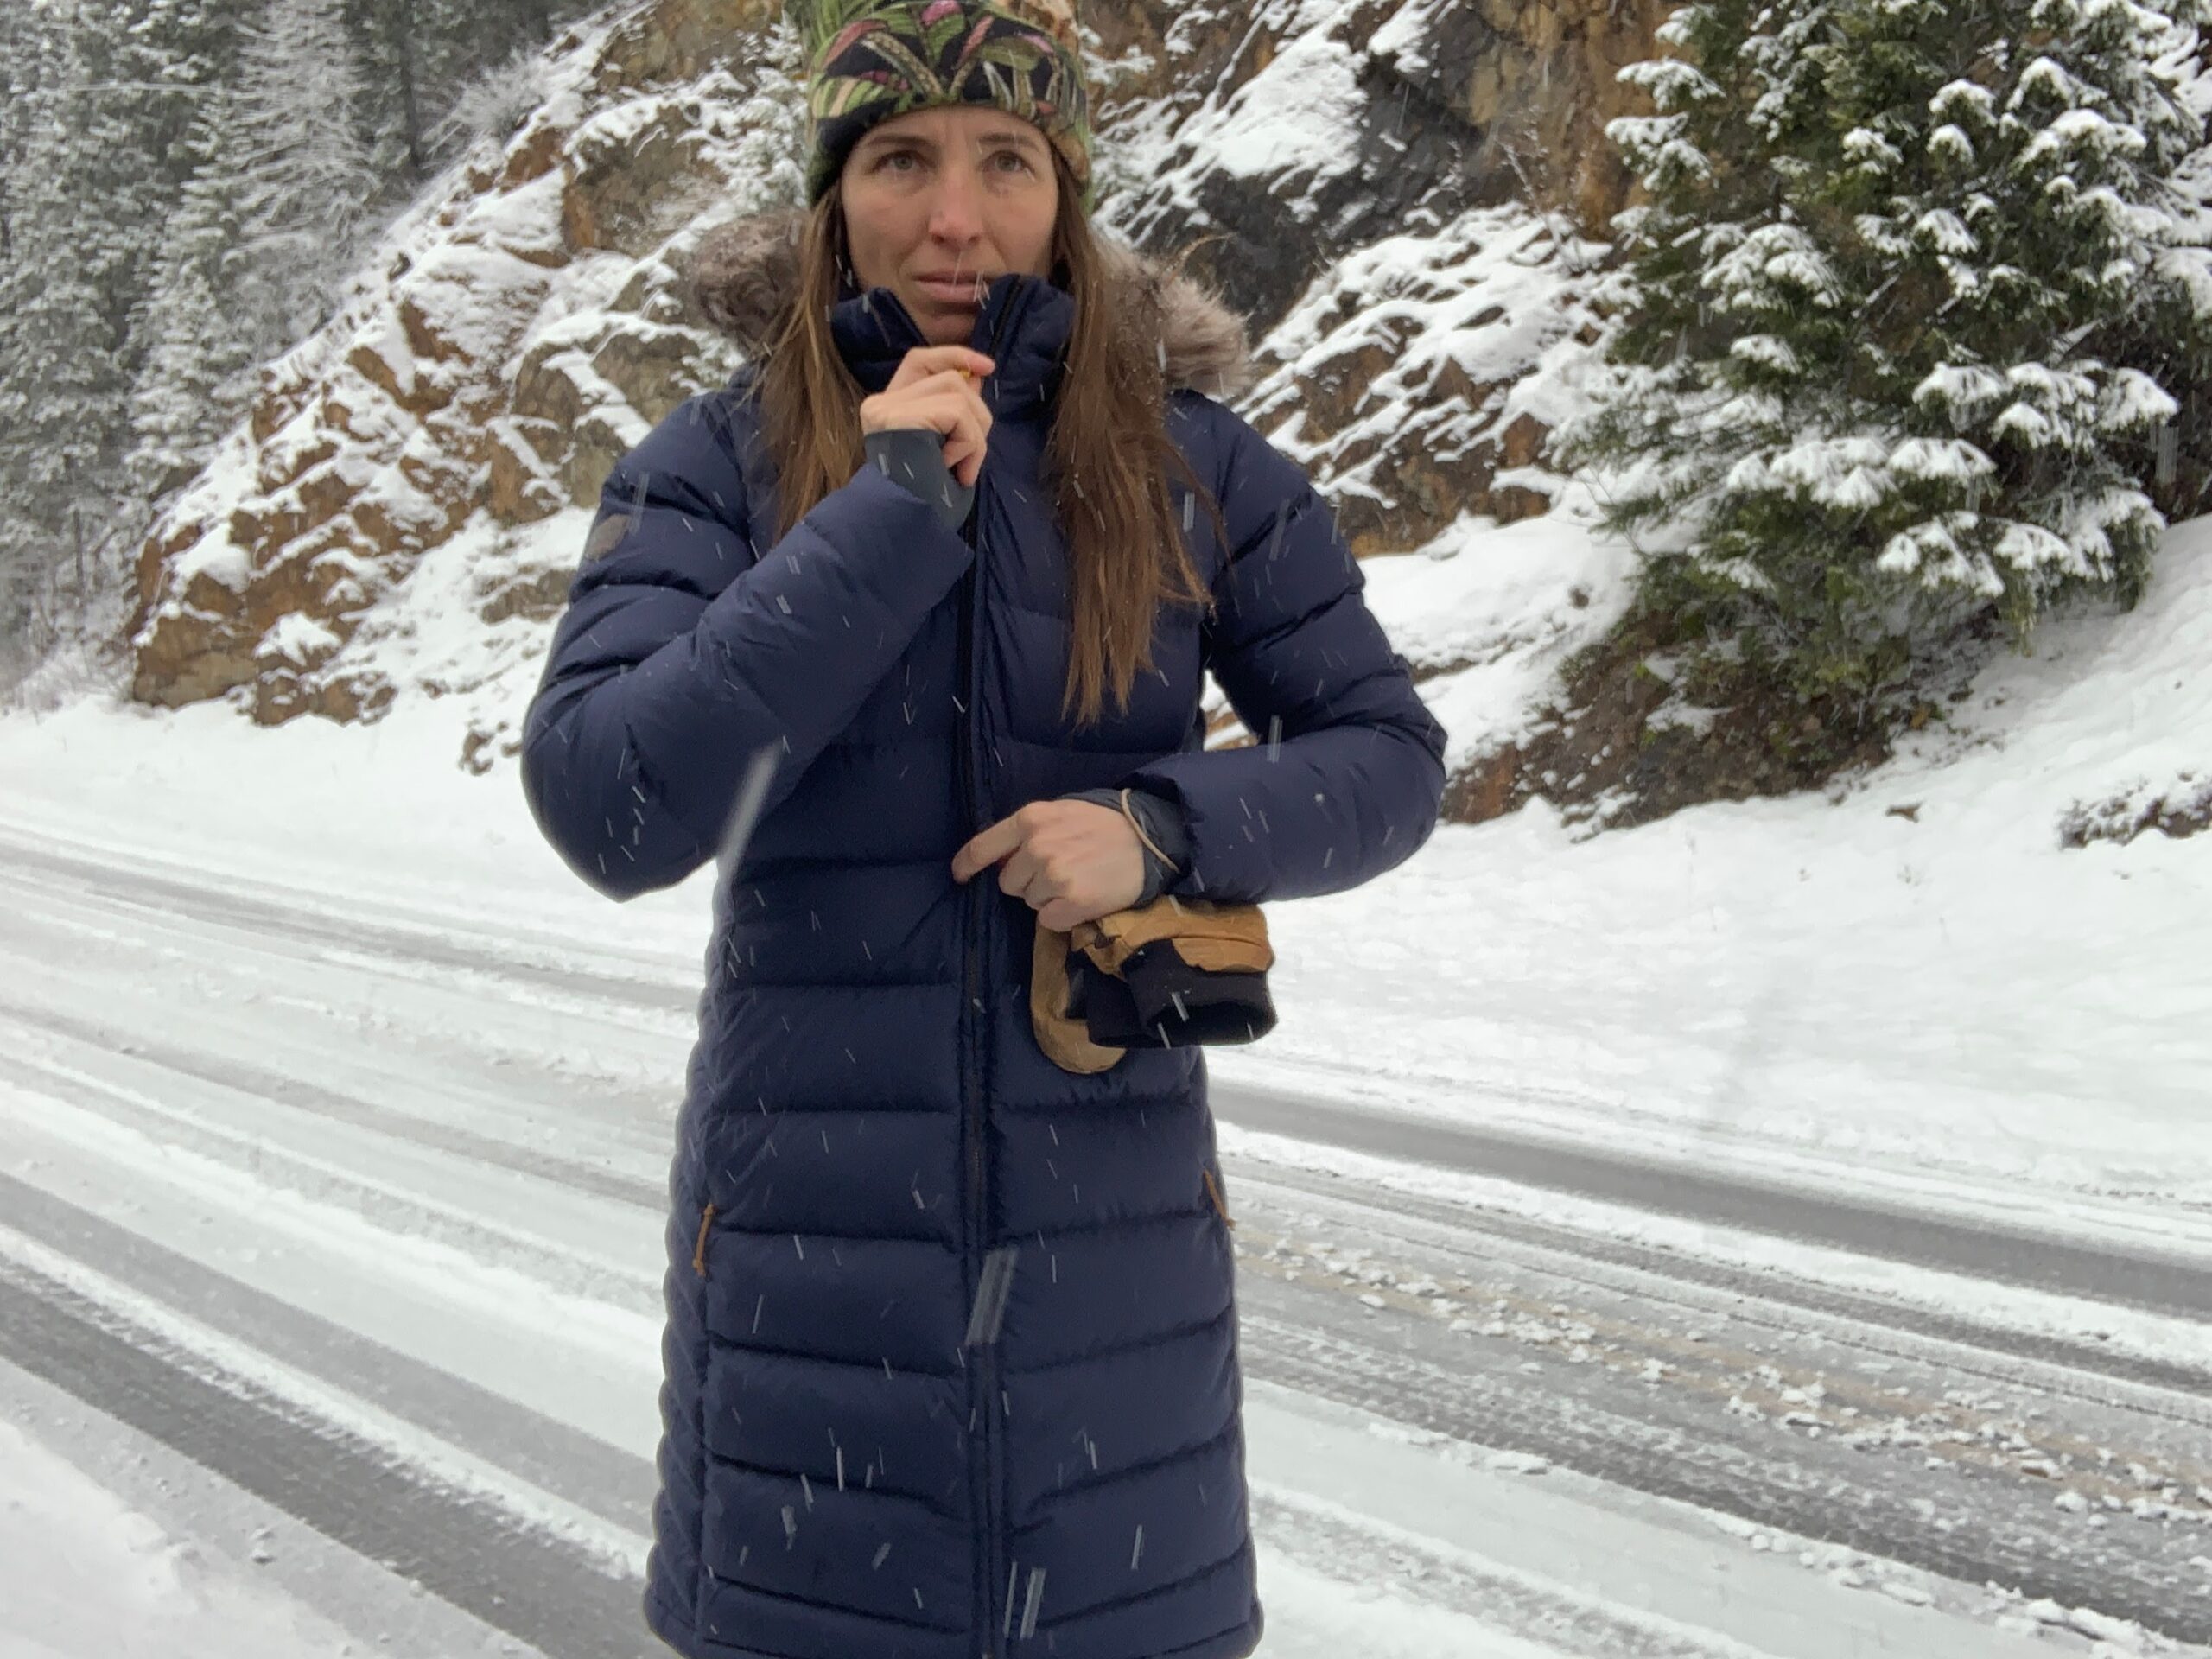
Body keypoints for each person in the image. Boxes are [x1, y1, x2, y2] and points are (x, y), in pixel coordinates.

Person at [519, 3, 1447, 1655]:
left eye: (1004, 160)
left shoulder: (1193, 468)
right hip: (810, 1281)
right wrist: (883, 520)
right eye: (899, 159)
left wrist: (1161, 828)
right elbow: (615, 805)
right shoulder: (717, 466)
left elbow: (1386, 757)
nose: (955, 217)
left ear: (1064, 192)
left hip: (1117, 1279)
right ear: (832, 195)